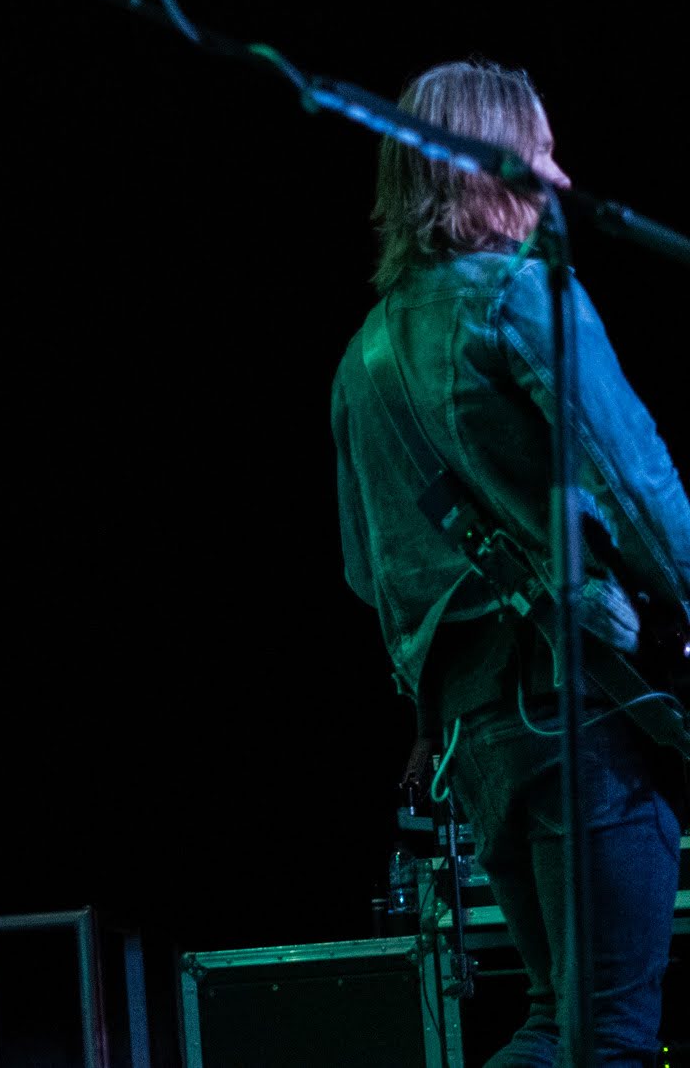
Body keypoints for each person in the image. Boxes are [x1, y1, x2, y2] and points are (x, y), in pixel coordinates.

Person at [332, 59, 690, 1066]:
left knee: (553, 1020)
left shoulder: (361, 358)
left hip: (476, 734)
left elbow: (366, 570)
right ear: (482, 166)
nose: (558, 177)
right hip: (581, 706)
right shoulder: (521, 296)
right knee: (608, 1035)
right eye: (538, 152)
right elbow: (641, 491)